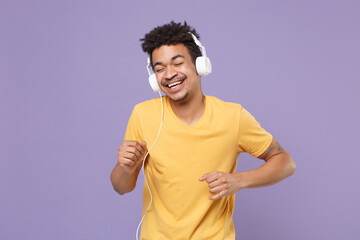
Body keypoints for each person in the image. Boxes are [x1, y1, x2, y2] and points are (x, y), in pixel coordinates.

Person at [110, 21, 296, 240]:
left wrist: (239, 180)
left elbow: (285, 162)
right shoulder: (143, 115)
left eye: (177, 63)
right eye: (159, 68)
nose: (169, 74)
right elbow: (122, 187)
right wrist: (125, 167)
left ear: (200, 65)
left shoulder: (232, 116)